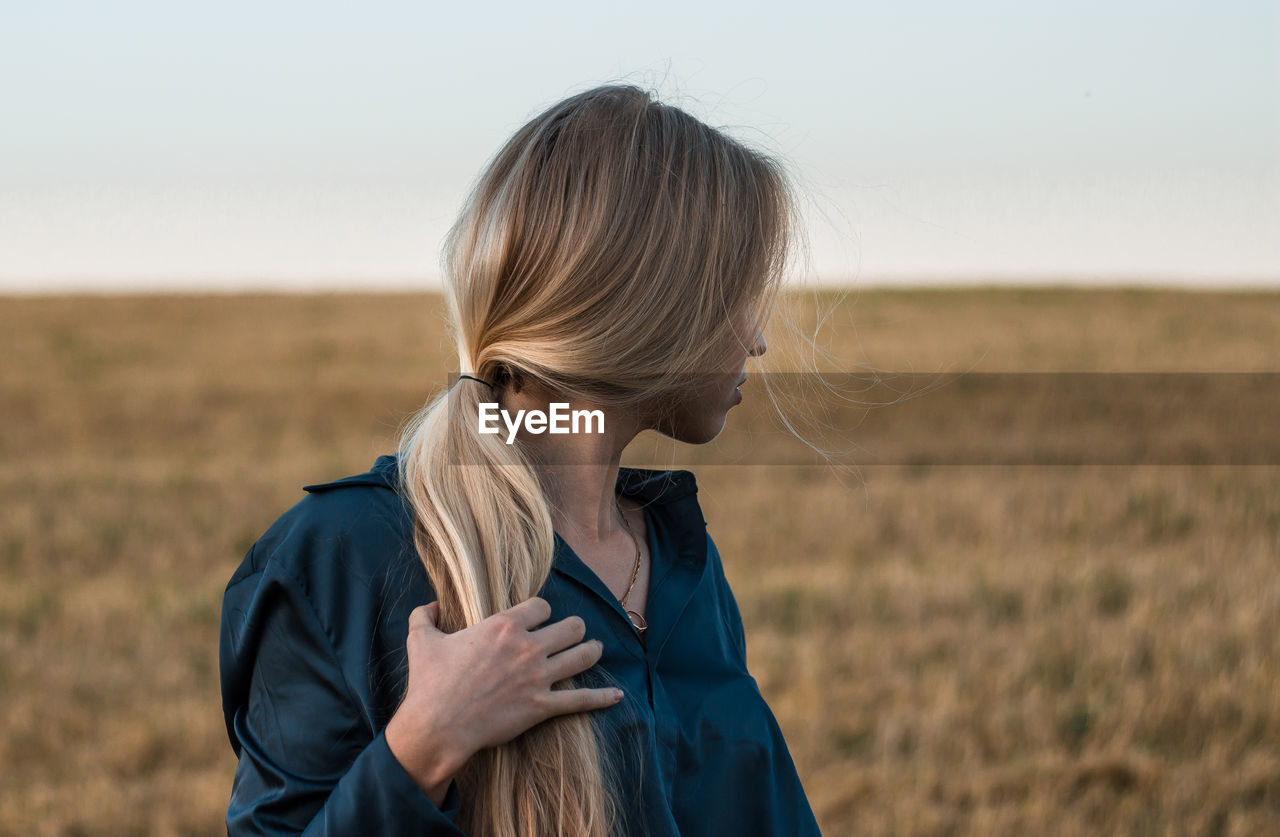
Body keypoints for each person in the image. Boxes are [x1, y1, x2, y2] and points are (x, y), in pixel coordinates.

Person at [219, 83, 823, 836]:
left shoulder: (680, 564)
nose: (758, 340)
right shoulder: (342, 556)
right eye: (738, 295)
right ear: (653, 305)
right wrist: (421, 748)